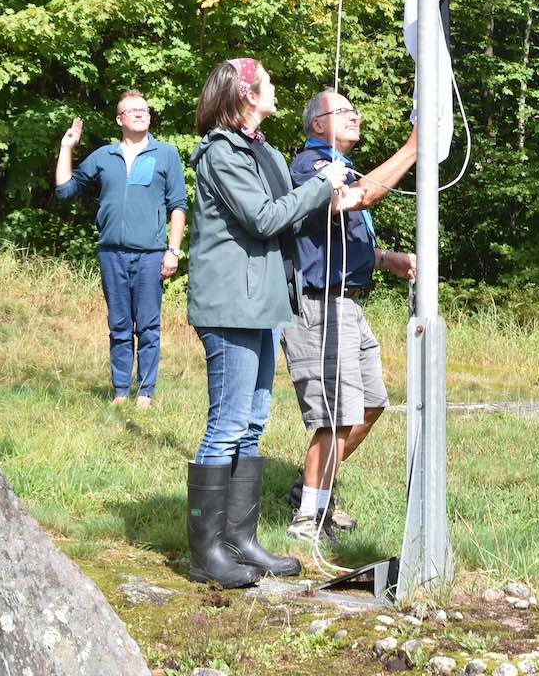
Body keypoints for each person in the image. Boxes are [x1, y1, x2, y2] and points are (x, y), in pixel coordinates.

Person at [185, 57, 350, 588]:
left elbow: (289, 211)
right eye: (269, 85)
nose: (276, 89)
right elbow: (263, 218)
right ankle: (205, 551)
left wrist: (328, 189)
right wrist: (322, 183)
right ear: (246, 94)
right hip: (231, 303)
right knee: (228, 422)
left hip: (261, 303)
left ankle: (240, 540)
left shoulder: (263, 151)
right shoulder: (221, 153)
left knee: (253, 422)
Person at [281, 87, 417, 543]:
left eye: (353, 110)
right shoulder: (309, 165)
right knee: (334, 414)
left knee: (372, 402)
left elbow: (334, 235)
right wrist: (414, 148)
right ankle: (307, 519)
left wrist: (383, 259)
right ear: (317, 124)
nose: (353, 116)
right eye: (341, 111)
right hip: (319, 305)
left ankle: (311, 487)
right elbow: (353, 199)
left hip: (349, 302)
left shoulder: (340, 166)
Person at [55, 90, 187, 407]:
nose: (141, 113)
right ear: (120, 119)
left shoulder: (165, 154)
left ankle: (145, 392)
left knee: (149, 325)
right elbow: (64, 190)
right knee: (119, 325)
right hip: (111, 252)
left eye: (144, 109)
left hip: (151, 253)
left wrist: (173, 250)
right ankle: (119, 391)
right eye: (133, 110)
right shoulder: (104, 156)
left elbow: (178, 206)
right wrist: (66, 147)